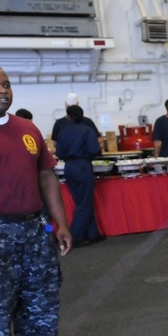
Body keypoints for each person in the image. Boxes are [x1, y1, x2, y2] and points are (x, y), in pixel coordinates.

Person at [0, 64, 87, 336]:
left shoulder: (27, 129)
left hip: (33, 229)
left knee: (41, 305)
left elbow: (46, 177)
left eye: (6, 84)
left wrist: (60, 223)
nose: (3, 90)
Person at [54, 105, 102, 247]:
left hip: (69, 167)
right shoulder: (87, 130)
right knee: (85, 202)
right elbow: (95, 149)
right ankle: (75, 236)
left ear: (68, 116)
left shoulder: (63, 131)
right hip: (83, 165)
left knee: (80, 201)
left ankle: (93, 234)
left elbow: (59, 153)